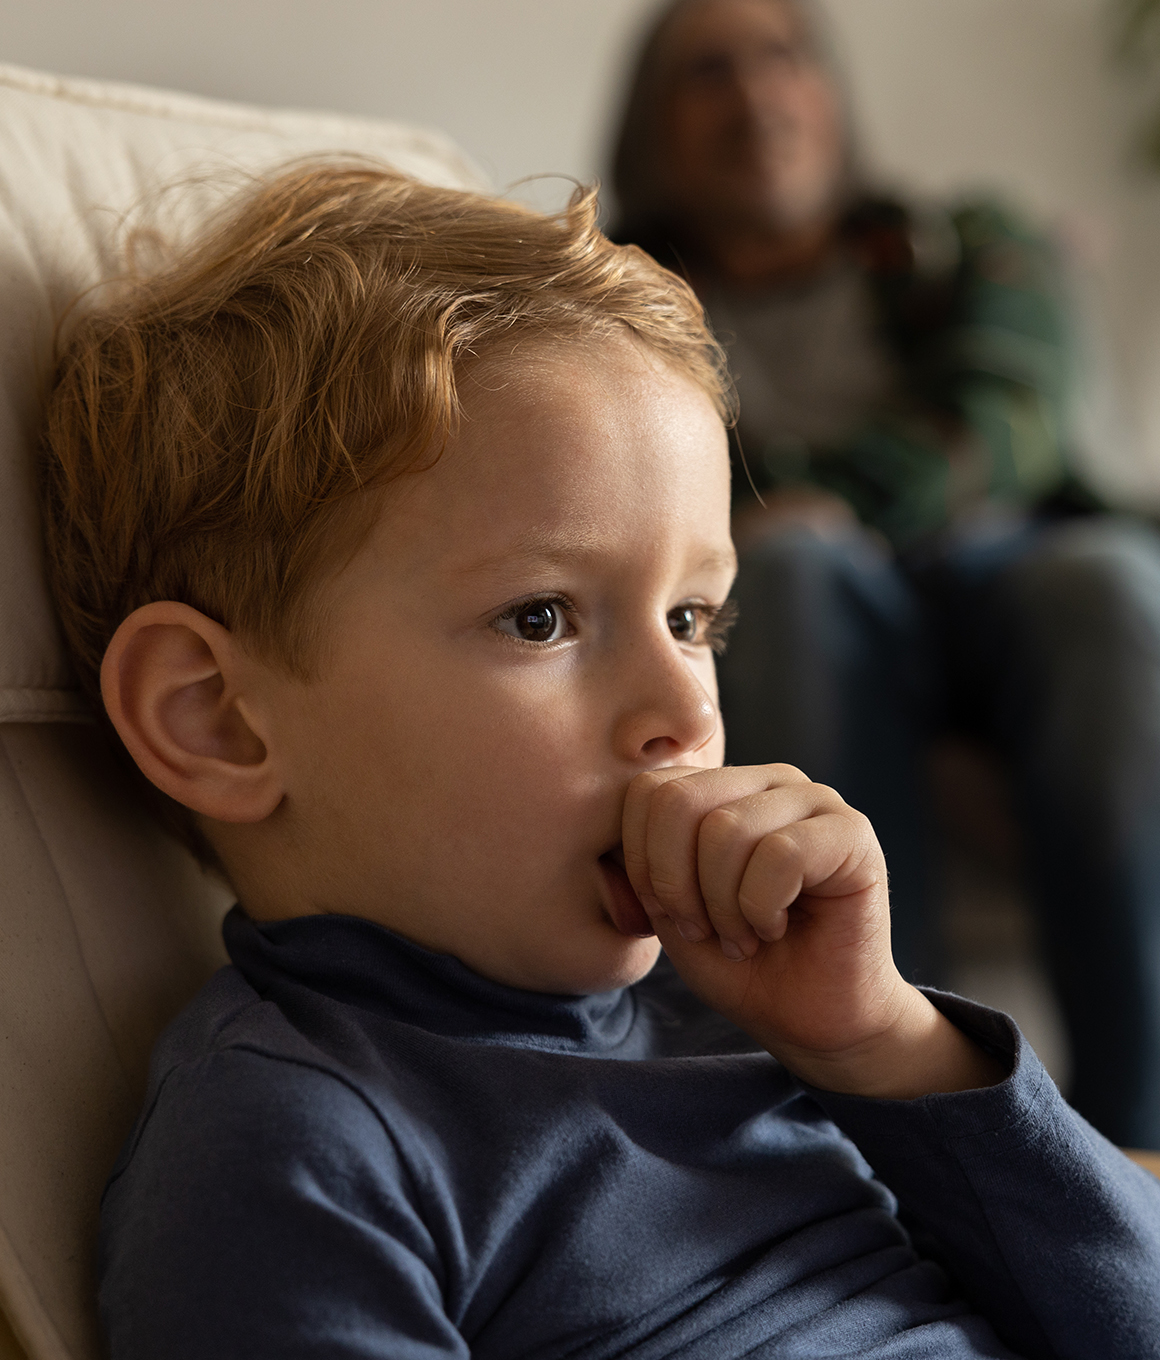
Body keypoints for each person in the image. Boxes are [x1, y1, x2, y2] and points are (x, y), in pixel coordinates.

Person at [38, 162, 1160, 1360]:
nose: (682, 705)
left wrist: (882, 1041)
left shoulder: (744, 1004)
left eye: (693, 620)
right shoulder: (291, 1143)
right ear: (218, 719)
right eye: (541, 618)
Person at [608, 0, 1160, 1149]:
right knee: (800, 575)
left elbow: (1008, 423)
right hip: (796, 602)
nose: (757, 96)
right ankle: (908, 1111)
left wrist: (837, 496)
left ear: (831, 98)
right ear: (648, 127)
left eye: (783, 57)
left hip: (1007, 574)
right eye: (708, 71)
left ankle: (1142, 1124)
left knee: (1105, 578)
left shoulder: (971, 243)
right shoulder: (615, 300)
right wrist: (802, 522)